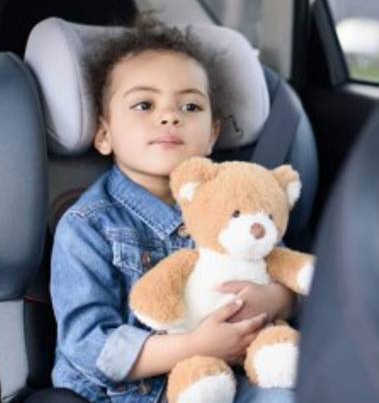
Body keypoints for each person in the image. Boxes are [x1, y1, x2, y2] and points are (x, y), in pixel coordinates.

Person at [50, 20, 296, 402]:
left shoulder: (242, 198)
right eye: (144, 104)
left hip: (236, 378)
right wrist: (198, 346)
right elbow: (87, 346)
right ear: (104, 134)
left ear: (212, 135)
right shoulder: (90, 225)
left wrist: (278, 300)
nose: (169, 116)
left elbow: (286, 267)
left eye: (190, 105)